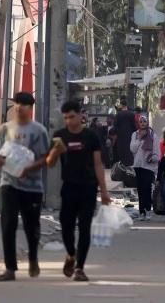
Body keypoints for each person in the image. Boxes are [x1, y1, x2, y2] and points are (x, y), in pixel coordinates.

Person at [46, 101, 111, 282]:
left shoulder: (91, 136)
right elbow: (49, 163)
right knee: (66, 225)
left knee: (84, 228)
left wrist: (104, 191)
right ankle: (71, 254)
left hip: (88, 187)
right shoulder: (60, 136)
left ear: (80, 115)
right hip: (69, 187)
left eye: (71, 116)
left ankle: (80, 268)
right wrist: (55, 152)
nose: (68, 121)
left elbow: (98, 164)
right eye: (65, 117)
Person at [0, 92, 50, 282]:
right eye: (17, 103)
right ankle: (10, 268)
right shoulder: (4, 129)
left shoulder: (38, 131)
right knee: (8, 224)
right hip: (8, 183)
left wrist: (29, 168)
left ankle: (33, 257)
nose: (19, 107)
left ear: (30, 108)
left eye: (24, 104)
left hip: (32, 186)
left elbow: (46, 158)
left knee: (31, 226)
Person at [130, 115, 160, 221]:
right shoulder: (135, 134)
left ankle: (148, 210)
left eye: (144, 121)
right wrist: (139, 138)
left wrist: (153, 158)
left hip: (149, 166)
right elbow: (132, 149)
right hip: (138, 165)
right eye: (141, 121)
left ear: (147, 123)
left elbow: (157, 151)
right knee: (140, 189)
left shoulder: (153, 135)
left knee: (147, 188)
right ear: (138, 123)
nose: (142, 123)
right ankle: (141, 212)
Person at [114, 99, 136, 166]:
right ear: (126, 105)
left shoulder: (118, 114)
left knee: (122, 151)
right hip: (130, 136)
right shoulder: (131, 114)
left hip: (121, 137)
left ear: (121, 105)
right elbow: (134, 126)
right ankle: (130, 165)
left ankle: (122, 165)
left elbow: (115, 126)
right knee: (129, 151)